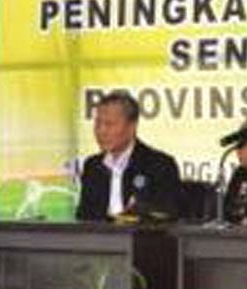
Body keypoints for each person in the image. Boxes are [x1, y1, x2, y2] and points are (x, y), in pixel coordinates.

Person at [77, 91, 181, 221]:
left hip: (140, 234)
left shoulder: (160, 165)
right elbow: (84, 217)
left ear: (132, 127)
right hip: (98, 234)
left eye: (109, 124)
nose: (101, 131)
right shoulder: (92, 166)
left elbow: (167, 216)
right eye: (97, 124)